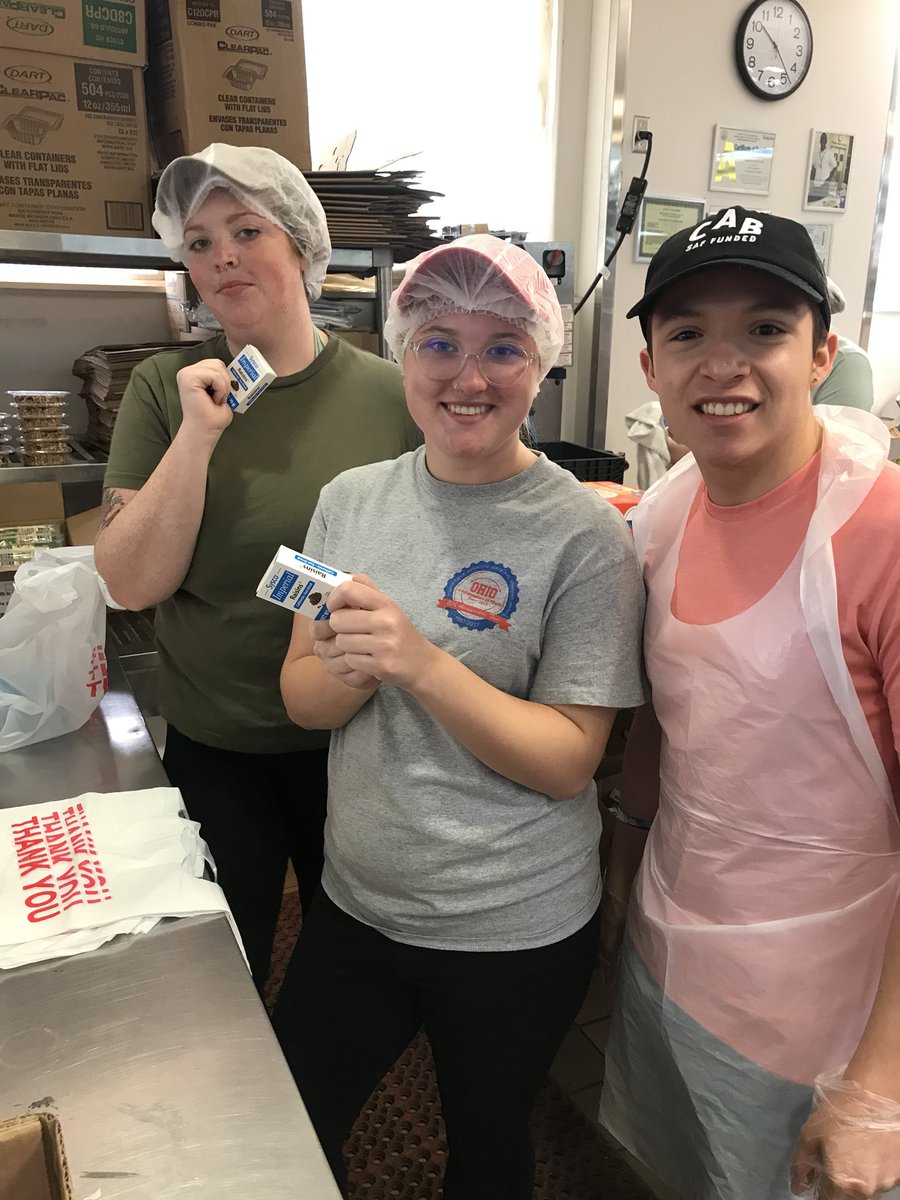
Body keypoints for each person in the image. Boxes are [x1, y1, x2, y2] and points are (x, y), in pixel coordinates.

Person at [271, 234, 648, 1198]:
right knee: (285, 1125)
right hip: (358, 902)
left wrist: (420, 662)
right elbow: (302, 696)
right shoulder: (349, 501)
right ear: (404, 355)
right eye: (438, 343)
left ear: (542, 362)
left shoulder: (585, 538)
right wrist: (359, 668)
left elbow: (570, 760)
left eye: (502, 348)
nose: (467, 376)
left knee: (485, 1153)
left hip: (511, 926)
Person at [598, 205, 900, 1200]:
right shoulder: (671, 508)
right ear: (650, 369)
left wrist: (877, 1090)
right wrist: (624, 870)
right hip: (671, 954)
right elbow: (662, 722)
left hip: (824, 1013)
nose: (722, 364)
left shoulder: (883, 537)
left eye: (765, 329)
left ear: (823, 354)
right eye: (687, 333)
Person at [95, 143, 421, 987]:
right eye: (199, 242)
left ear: (305, 250)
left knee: (344, 965)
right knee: (217, 968)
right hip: (217, 741)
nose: (222, 256)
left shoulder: (391, 395)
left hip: (356, 739)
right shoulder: (166, 391)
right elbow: (130, 582)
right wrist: (201, 435)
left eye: (247, 229)